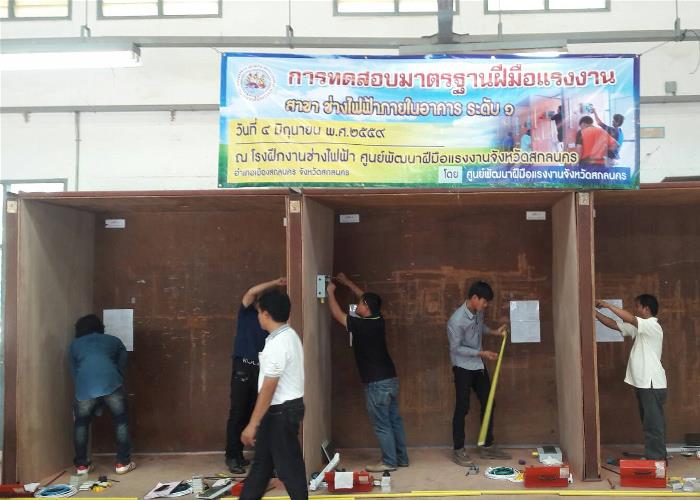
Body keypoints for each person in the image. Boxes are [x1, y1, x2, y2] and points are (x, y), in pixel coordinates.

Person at [326, 273, 409, 473]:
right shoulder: (378, 319)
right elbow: (367, 297)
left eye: (360, 303)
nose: (357, 305)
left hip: (376, 383)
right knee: (394, 421)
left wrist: (330, 292)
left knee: (382, 424)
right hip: (390, 379)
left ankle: (389, 462)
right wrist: (347, 282)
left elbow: (337, 315)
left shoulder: (362, 325)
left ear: (366, 306)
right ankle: (401, 458)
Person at [239, 290, 307, 500]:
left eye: (259, 313)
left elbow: (269, 386)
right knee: (261, 467)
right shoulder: (289, 336)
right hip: (279, 412)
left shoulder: (278, 343)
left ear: (267, 314)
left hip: (280, 413)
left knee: (290, 469)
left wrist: (252, 424)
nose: (258, 317)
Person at [225, 277, 287, 474]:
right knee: (238, 412)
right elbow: (251, 292)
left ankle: (263, 458)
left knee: (259, 413)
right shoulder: (247, 312)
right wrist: (275, 283)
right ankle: (233, 456)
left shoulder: (271, 322)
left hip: (261, 369)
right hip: (243, 367)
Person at [595, 295, 667, 460]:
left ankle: (656, 459)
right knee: (649, 422)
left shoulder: (652, 325)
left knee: (653, 423)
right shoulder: (640, 329)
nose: (635, 310)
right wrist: (595, 313)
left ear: (646, 309)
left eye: (637, 306)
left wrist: (607, 305)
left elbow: (630, 318)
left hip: (651, 383)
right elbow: (614, 324)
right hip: (644, 384)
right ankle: (654, 456)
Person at [447, 281, 510, 466]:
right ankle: (458, 450)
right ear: (474, 298)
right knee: (462, 407)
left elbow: (479, 327)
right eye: (484, 301)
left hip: (478, 366)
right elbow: (456, 348)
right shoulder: (456, 321)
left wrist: (494, 332)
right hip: (462, 367)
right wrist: (481, 353)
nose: (486, 305)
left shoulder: (478, 312)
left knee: (489, 402)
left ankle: (486, 446)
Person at [69, 314, 135, 475]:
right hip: (111, 384)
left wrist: (83, 388)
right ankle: (122, 463)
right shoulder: (114, 341)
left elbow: (74, 371)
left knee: (81, 424)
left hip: (85, 388)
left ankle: (82, 466)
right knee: (121, 421)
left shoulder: (74, 345)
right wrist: (117, 377)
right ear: (100, 327)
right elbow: (123, 360)